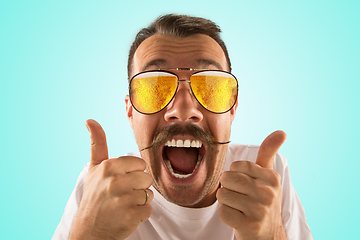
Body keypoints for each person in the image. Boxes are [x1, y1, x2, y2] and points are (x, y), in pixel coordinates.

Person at [53, 14, 313, 240]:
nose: (184, 110)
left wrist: (270, 236)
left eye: (210, 87)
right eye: (154, 88)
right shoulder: (100, 185)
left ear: (232, 108)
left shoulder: (267, 176)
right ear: (130, 111)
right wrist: (92, 234)